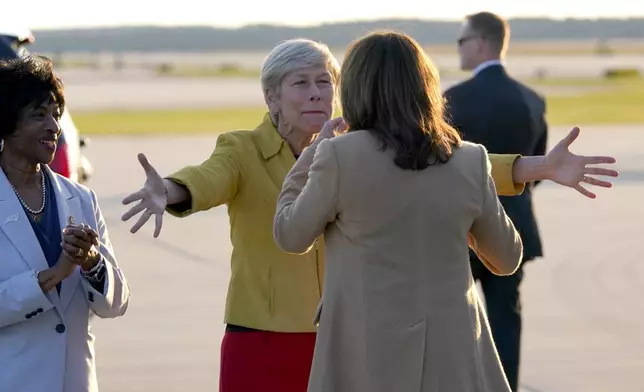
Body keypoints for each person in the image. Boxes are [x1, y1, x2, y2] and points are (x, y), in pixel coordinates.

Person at [121, 39, 617, 392]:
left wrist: (540, 167)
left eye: (324, 82)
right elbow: (210, 177)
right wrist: (170, 190)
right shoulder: (244, 148)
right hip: (271, 339)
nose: (316, 93)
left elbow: (456, 165)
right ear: (271, 96)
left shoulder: (346, 153)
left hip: (351, 346)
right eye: (301, 84)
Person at [0, 55, 130, 392]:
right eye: (38, 115)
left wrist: (91, 263)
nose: (54, 127)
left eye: (56, 115)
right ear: (6, 122)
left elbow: (116, 304)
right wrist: (54, 274)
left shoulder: (81, 198)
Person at [444, 12, 548, 390]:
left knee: (454, 317)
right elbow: (536, 164)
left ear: (481, 43)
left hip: (463, 226)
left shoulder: (453, 99)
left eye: (461, 41)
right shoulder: (532, 99)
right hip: (515, 225)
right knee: (506, 317)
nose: (459, 48)